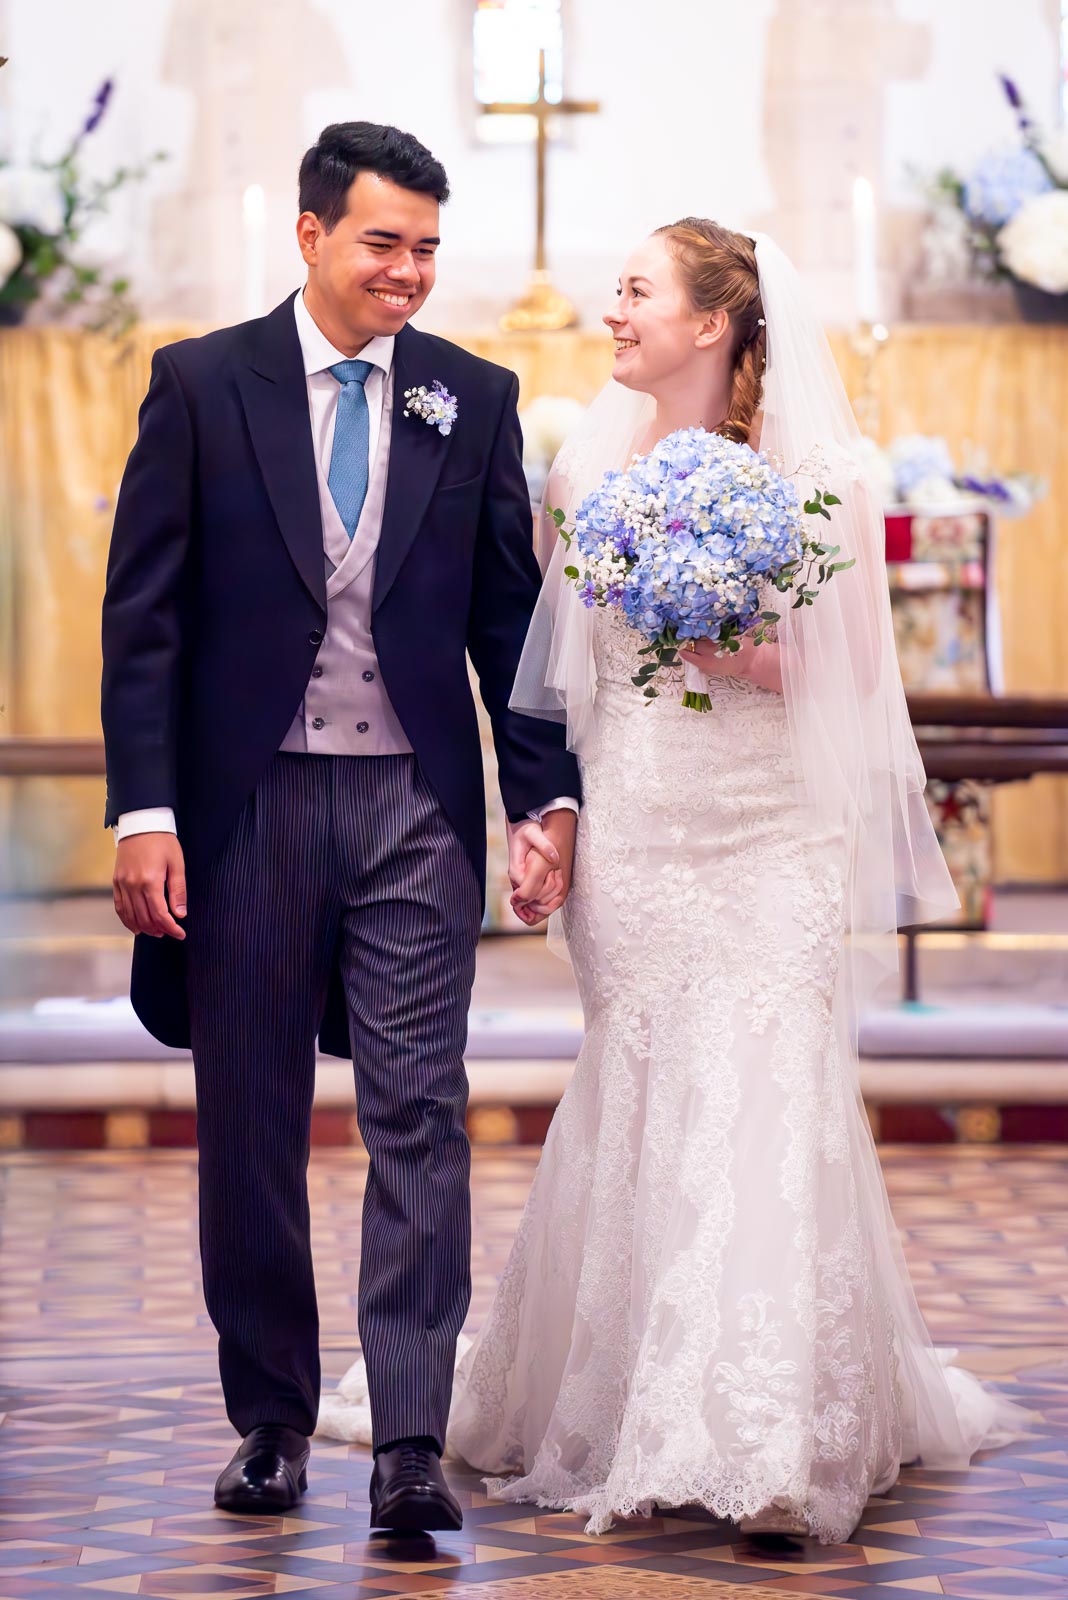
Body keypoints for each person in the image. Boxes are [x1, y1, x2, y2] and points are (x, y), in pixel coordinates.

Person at [441, 219, 1028, 1540]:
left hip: (773, 832)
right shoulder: (592, 455)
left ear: (713, 320)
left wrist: (722, 635)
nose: (615, 310)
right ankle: (625, 1400)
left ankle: (764, 1437)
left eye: (638, 290)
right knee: (644, 1082)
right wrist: (553, 821)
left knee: (768, 1090)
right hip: (643, 825)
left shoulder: (821, 464)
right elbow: (562, 680)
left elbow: (858, 678)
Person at [100, 120, 579, 1531]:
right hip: (246, 807)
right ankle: (270, 1420)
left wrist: (543, 793)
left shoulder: (471, 398)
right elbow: (147, 623)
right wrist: (146, 811)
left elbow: (513, 623)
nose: (410, 273)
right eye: (383, 243)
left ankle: (411, 1445)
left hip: (414, 807)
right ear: (308, 235)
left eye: (428, 247)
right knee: (247, 1119)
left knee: (419, 1115)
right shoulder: (198, 385)